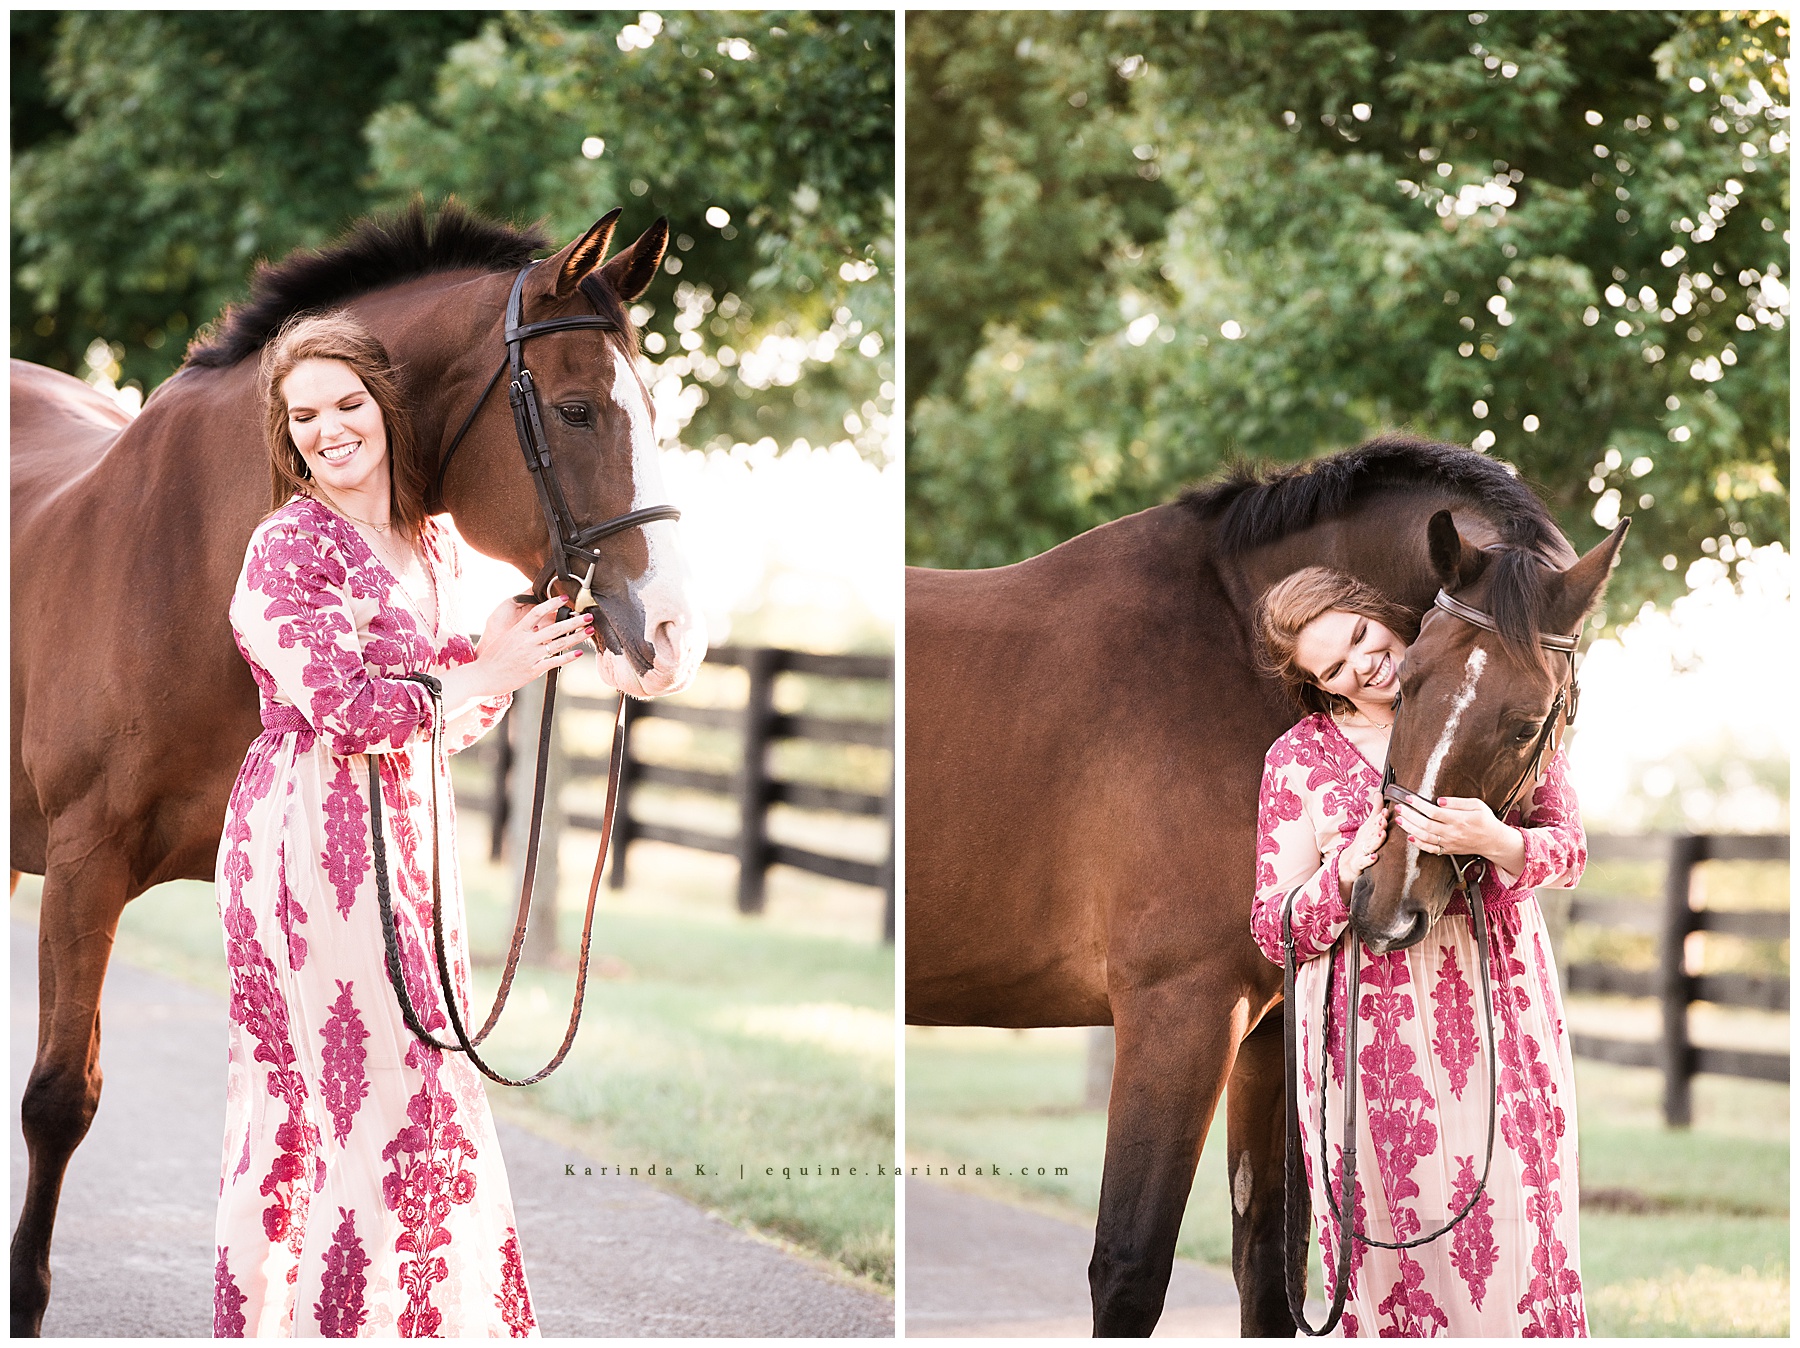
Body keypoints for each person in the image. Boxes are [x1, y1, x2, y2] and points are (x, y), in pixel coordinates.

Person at [213, 311, 592, 1337]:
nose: (329, 431)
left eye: (346, 405)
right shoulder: (287, 545)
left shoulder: (427, 538)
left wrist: (513, 651)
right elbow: (345, 708)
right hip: (305, 841)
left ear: (384, 405)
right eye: (305, 417)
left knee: (419, 1082)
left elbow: (444, 714)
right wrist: (482, 667)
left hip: (410, 837)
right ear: (285, 435)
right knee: (344, 1094)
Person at [1250, 565, 1587, 1337]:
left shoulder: (1494, 695)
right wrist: (1343, 871)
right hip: (1370, 1039)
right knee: (1393, 1251)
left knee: (1513, 1233)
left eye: (1362, 637)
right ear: (1317, 684)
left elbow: (1568, 851)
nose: (1363, 666)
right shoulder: (1297, 760)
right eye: (1333, 666)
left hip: (1497, 1011)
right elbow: (1274, 927)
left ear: (1382, 615)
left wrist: (1494, 840)